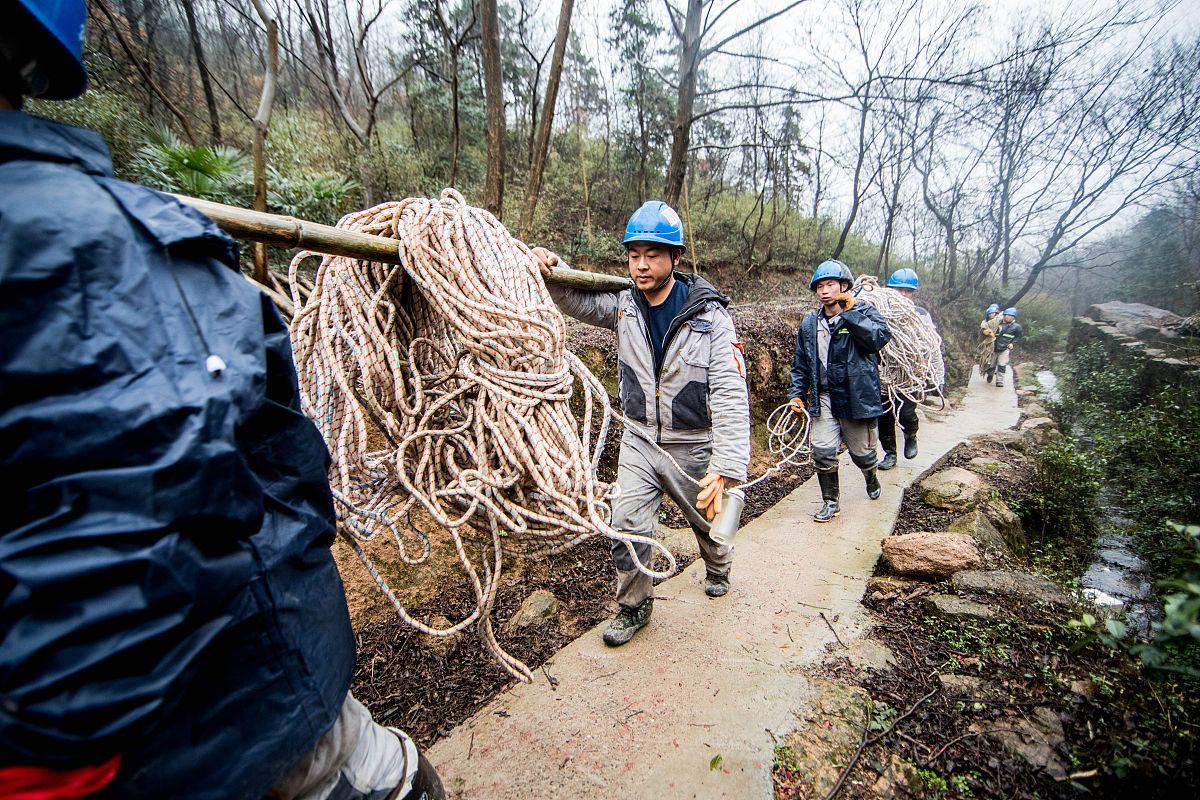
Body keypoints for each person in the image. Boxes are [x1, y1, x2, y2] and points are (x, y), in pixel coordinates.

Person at [0, 3, 442, 798]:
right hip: (275, 695)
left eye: (654, 255)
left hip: (250, 724)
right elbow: (293, 476)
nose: (640, 267)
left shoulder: (114, 254)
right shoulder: (157, 252)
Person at [532, 201, 751, 647]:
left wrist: (726, 465)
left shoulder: (711, 319)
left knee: (712, 523)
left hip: (693, 445)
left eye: (653, 254)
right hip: (639, 439)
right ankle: (634, 607)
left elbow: (730, 393)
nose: (641, 264)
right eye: (634, 254)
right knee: (627, 522)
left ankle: (719, 563)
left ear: (675, 258)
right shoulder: (623, 305)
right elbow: (578, 297)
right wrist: (551, 269)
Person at [788, 261, 893, 522]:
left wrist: (851, 313)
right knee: (822, 450)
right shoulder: (810, 321)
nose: (825, 291)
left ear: (844, 286)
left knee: (862, 453)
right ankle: (830, 502)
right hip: (824, 397)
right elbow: (801, 361)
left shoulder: (864, 311)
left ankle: (870, 475)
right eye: (820, 287)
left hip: (855, 396)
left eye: (831, 285)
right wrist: (796, 394)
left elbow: (877, 339)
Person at [876, 268, 930, 470]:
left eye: (908, 291)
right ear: (890, 290)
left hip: (909, 375)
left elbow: (931, 344)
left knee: (907, 412)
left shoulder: (920, 315)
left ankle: (911, 435)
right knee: (884, 416)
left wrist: (934, 375)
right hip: (884, 374)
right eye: (900, 290)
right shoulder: (878, 311)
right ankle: (890, 453)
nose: (904, 295)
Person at [986, 307, 1023, 387]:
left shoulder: (1016, 327)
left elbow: (1018, 337)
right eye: (1007, 315)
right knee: (991, 364)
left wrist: (1013, 343)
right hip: (993, 347)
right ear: (1004, 315)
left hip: (1005, 348)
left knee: (1001, 364)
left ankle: (1000, 380)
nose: (1009, 317)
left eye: (1011, 316)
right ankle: (990, 374)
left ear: (1014, 317)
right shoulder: (997, 323)